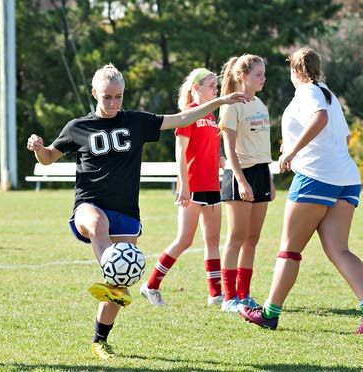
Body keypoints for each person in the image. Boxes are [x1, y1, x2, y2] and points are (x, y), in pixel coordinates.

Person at [27, 63, 249, 360]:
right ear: (94, 93)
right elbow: (47, 159)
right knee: (97, 223)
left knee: (116, 287)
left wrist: (219, 101)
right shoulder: (77, 128)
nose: (112, 103)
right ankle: (110, 265)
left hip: (127, 213)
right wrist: (38, 147)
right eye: (106, 97)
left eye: (118, 97)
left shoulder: (135, 122)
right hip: (88, 205)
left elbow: (182, 117)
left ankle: (100, 340)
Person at [239, 47, 363, 332]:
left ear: (295, 70)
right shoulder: (327, 92)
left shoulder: (308, 92)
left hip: (316, 177)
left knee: (289, 251)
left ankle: (269, 313)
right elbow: (341, 136)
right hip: (346, 177)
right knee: (339, 250)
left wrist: (290, 153)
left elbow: (319, 119)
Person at [140, 68, 225, 307]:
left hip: (212, 185)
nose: (215, 89)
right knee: (184, 240)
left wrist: (223, 160)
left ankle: (215, 295)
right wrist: (184, 185)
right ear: (196, 88)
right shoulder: (187, 114)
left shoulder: (211, 117)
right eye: (211, 85)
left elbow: (209, 149)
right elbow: (181, 151)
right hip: (193, 185)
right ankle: (151, 285)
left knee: (213, 240)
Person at [218, 54, 275, 313]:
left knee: (253, 238)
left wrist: (270, 179)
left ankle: (245, 294)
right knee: (236, 238)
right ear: (243, 76)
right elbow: (228, 148)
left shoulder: (260, 103)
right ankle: (229, 298)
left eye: (264, 74)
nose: (263, 79)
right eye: (258, 75)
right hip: (240, 175)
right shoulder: (232, 105)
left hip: (262, 173)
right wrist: (241, 180)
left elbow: (263, 147)